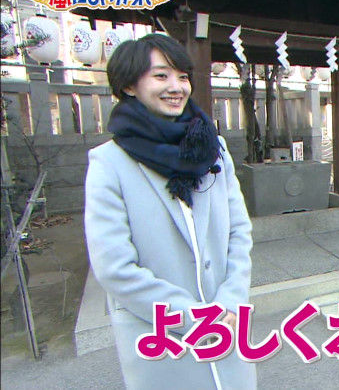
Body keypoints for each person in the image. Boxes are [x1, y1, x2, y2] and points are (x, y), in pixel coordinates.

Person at [84, 34, 257, 389]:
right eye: (161, 76)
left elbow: (239, 232)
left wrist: (231, 299)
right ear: (129, 85)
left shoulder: (213, 149)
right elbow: (115, 268)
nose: (176, 87)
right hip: (162, 339)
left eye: (182, 76)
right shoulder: (109, 163)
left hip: (227, 327)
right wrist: (195, 317)